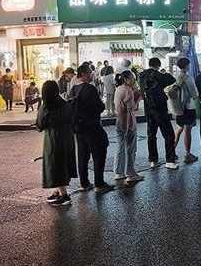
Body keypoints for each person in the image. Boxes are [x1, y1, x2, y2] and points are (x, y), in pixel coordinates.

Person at [69, 63, 113, 194]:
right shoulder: (90, 89)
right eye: (89, 72)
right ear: (83, 74)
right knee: (99, 153)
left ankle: (84, 183)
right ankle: (99, 183)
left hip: (79, 128)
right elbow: (100, 107)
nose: (91, 74)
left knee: (82, 155)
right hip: (92, 126)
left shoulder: (74, 89)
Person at [36, 80, 77, 206]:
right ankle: (58, 191)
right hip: (67, 137)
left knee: (55, 165)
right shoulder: (65, 104)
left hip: (53, 139)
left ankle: (64, 195)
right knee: (64, 163)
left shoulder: (46, 107)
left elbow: (40, 125)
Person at [139, 57, 177, 169]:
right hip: (160, 109)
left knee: (151, 135)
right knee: (169, 134)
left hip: (148, 109)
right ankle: (170, 161)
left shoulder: (141, 76)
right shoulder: (158, 75)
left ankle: (153, 160)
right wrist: (164, 73)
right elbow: (172, 79)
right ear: (158, 65)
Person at [113, 70, 143, 184]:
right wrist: (138, 98)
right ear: (126, 79)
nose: (134, 80)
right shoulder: (128, 90)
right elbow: (131, 109)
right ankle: (130, 173)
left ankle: (118, 172)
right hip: (128, 122)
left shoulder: (118, 89)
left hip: (119, 121)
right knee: (130, 149)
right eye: (132, 78)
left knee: (120, 147)